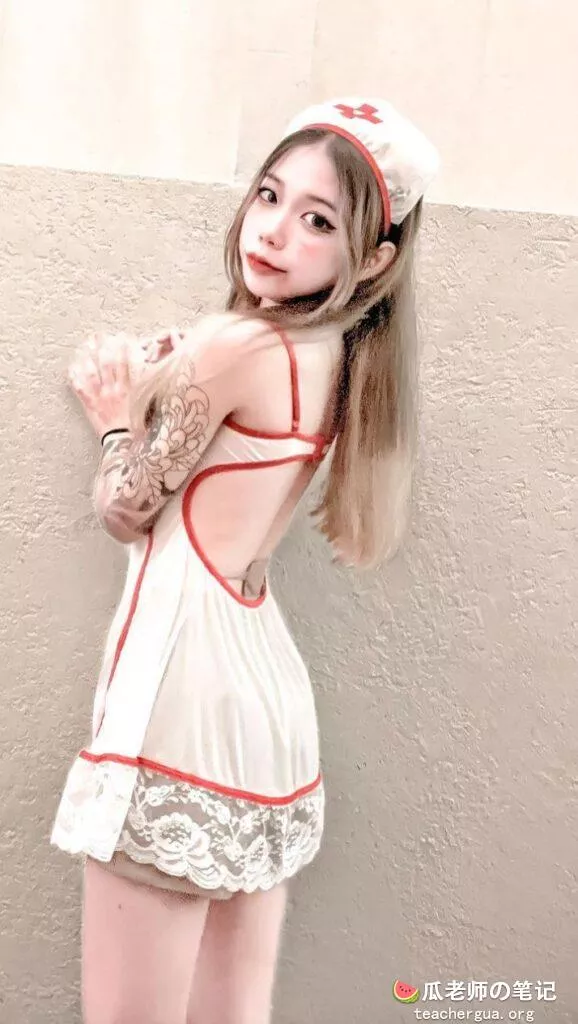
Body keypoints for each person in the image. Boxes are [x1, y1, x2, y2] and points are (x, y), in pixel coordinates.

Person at [51, 97, 439, 1024]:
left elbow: (127, 509)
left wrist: (115, 416)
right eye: (269, 196)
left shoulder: (233, 345)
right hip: (263, 699)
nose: (273, 231)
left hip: (179, 697)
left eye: (318, 221)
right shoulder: (343, 354)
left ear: (372, 259)